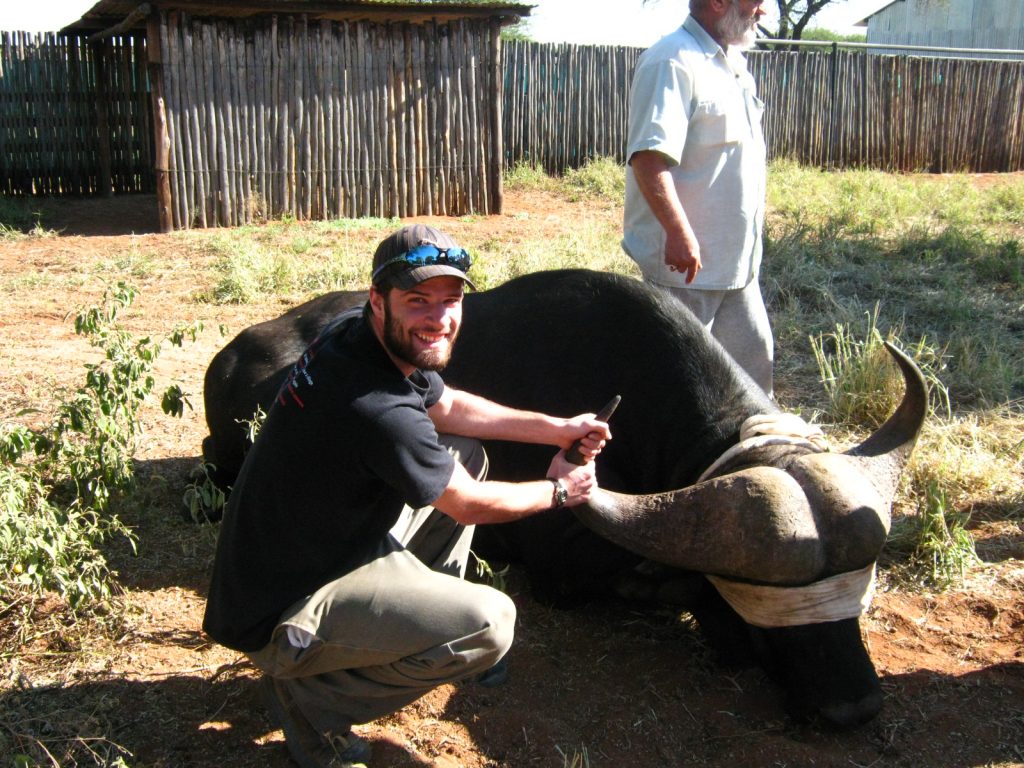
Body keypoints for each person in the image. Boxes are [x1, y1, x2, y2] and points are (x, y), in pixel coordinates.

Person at [202, 224, 611, 768]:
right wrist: (562, 490)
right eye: (417, 301)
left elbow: (448, 409)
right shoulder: (376, 405)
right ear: (378, 300)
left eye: (450, 300)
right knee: (491, 624)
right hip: (282, 610)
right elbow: (467, 504)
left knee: (463, 452)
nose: (438, 318)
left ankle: (410, 617)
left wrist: (558, 428)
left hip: (300, 556)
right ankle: (310, 700)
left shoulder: (354, 338)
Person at [622, 0, 774, 394]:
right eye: (754, 0)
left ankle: (756, 454)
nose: (762, 10)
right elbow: (648, 157)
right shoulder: (672, 60)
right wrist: (677, 231)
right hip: (686, 269)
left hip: (738, 269)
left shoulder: (734, 65)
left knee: (755, 383)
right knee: (678, 387)